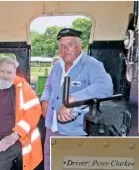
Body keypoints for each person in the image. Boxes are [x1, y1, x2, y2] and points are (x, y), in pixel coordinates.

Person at [40, 28, 113, 170]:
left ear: (80, 46)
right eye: (61, 46)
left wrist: (73, 99)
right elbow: (48, 87)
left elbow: (105, 87)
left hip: (75, 132)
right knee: (49, 165)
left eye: (69, 45)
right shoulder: (57, 65)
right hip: (51, 128)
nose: (65, 49)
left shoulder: (92, 65)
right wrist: (44, 102)